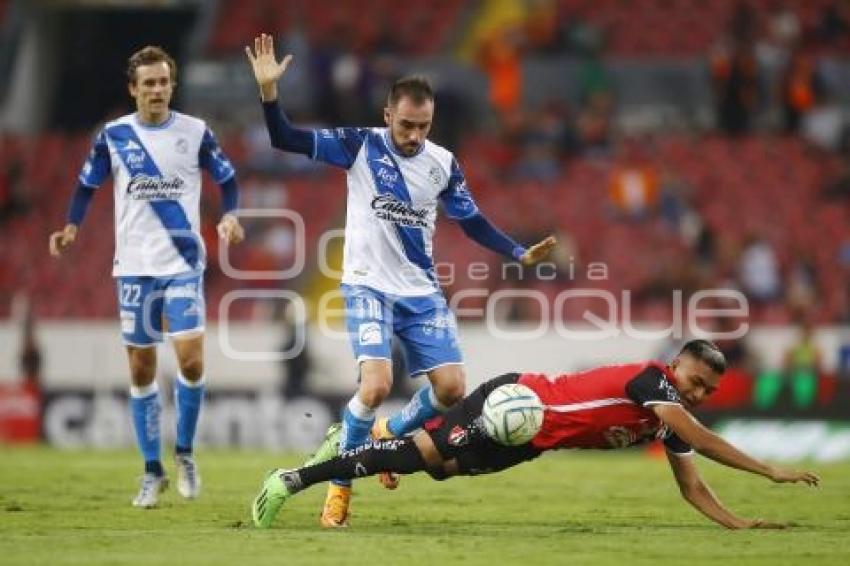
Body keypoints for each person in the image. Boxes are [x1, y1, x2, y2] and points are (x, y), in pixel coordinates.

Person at [245, 33, 556, 527]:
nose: (414, 135)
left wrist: (516, 250)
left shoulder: (443, 164)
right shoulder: (358, 146)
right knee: (374, 385)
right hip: (367, 285)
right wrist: (269, 94)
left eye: (423, 126)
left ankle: (389, 430)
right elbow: (285, 138)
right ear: (387, 114)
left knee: (453, 389)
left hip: (421, 292)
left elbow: (471, 221)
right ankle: (340, 490)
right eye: (406, 124)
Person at [252, 340, 820, 530]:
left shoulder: (662, 418)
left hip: (528, 441)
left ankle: (370, 440)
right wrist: (769, 468)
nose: (697, 395)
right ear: (678, 366)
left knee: (438, 467)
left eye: (707, 392)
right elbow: (694, 430)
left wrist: (741, 523)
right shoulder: (653, 382)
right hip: (513, 401)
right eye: (695, 382)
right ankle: (294, 478)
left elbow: (692, 488)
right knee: (419, 453)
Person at [48, 46, 245, 508]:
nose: (157, 90)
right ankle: (152, 470)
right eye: (148, 83)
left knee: (191, 359)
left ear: (172, 86)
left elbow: (229, 179)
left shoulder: (194, 132)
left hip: (182, 263)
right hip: (134, 267)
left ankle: (185, 453)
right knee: (141, 368)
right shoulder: (114, 137)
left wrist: (231, 216)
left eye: (163, 82)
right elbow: (86, 185)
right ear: (133, 89)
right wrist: (71, 227)